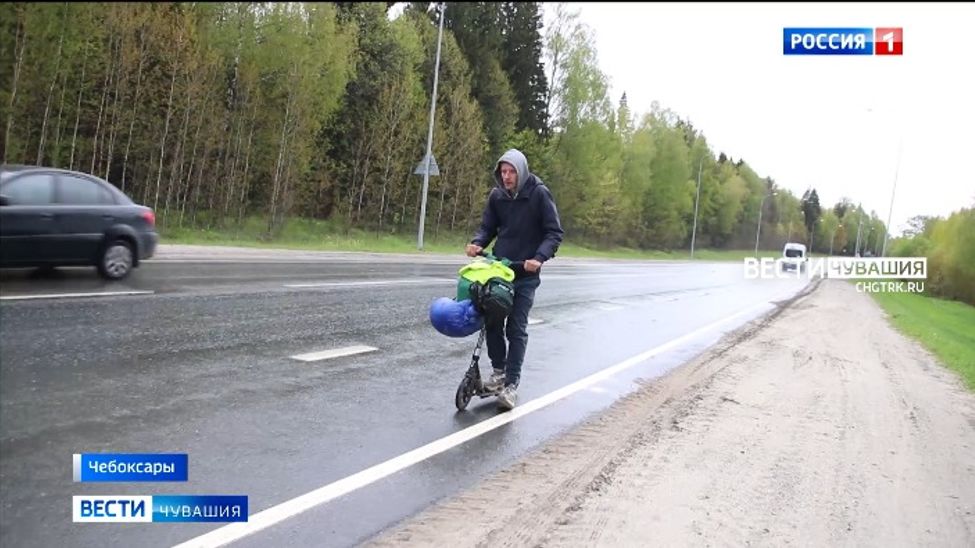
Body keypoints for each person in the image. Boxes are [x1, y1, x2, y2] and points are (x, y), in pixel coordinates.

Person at [465, 148, 564, 410]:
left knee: (516, 328)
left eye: (511, 172)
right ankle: (498, 374)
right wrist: (477, 243)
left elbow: (554, 233)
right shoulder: (497, 196)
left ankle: (511, 385)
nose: (507, 177)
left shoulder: (539, 194)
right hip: (500, 269)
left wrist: (539, 258)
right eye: (503, 172)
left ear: (521, 171)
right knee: (493, 322)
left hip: (526, 273)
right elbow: (488, 227)